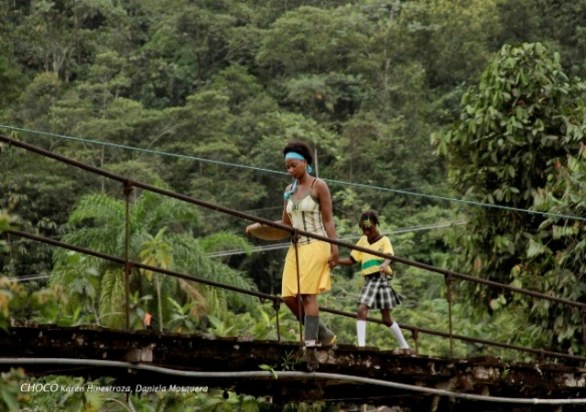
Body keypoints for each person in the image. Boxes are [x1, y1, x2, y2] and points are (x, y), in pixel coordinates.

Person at [246, 140, 338, 352]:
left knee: (307, 294)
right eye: (287, 167)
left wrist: (334, 248)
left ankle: (311, 343)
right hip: (296, 247)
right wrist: (258, 226)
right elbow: (285, 224)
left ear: (305, 162)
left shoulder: (319, 186)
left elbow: (328, 221)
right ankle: (323, 334)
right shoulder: (289, 190)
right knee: (288, 296)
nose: (290, 170)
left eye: (293, 165)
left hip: (317, 243)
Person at [337, 210, 410, 350]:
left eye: (369, 229)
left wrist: (385, 264)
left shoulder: (384, 240)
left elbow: (389, 255)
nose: (367, 232)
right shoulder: (363, 240)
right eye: (364, 230)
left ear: (376, 225)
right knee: (365, 310)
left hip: (379, 278)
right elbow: (352, 259)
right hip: (369, 280)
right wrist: (337, 261)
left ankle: (404, 346)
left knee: (383, 317)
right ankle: (362, 345)